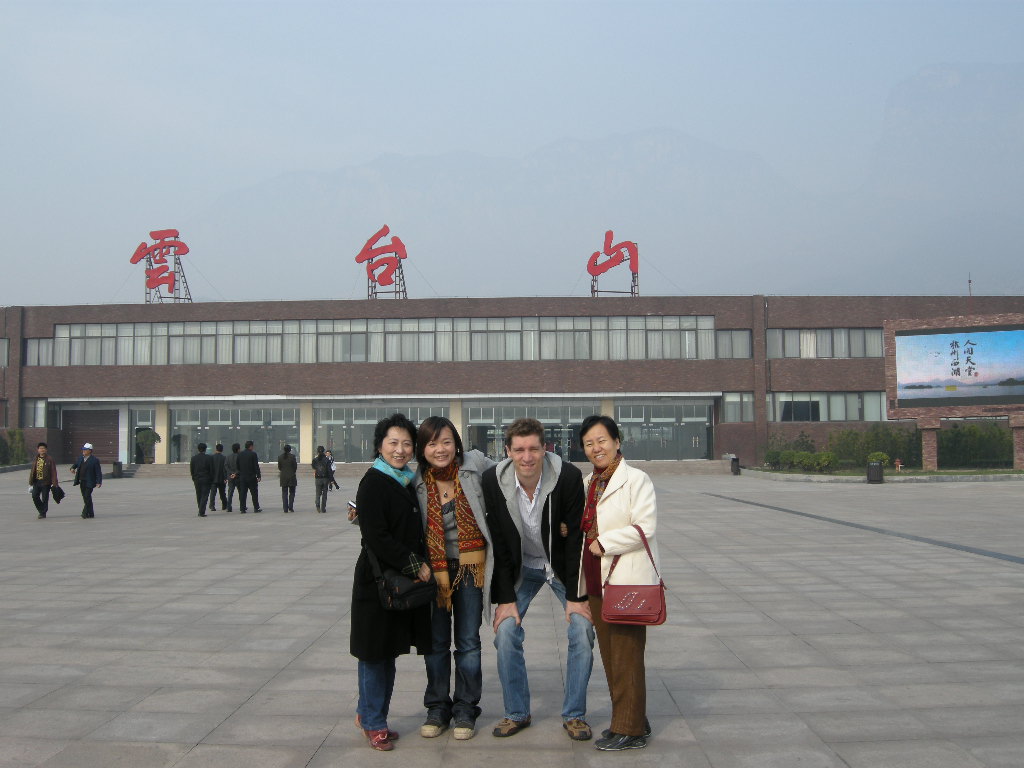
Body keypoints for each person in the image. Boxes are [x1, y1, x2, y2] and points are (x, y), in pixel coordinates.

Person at [482, 417, 594, 741]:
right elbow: (499, 545)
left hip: (559, 567)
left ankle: (574, 714)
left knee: (583, 628)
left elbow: (574, 540)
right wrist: (505, 599)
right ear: (507, 451)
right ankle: (517, 712)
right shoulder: (494, 481)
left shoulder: (568, 477)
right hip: (521, 569)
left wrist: (575, 596)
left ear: (545, 449)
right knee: (505, 632)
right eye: (519, 449)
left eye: (534, 448)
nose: (527, 457)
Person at [350, 414, 432, 752]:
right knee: (374, 654)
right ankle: (374, 722)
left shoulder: (406, 479)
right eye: (393, 443)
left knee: (387, 653)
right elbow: (377, 536)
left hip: (396, 580)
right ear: (380, 445)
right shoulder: (374, 481)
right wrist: (416, 565)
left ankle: (369, 714)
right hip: (377, 581)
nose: (400, 450)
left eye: (406, 444)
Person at [578, 415, 660, 751]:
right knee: (611, 655)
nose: (596, 448)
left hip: (625, 580)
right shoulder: (589, 482)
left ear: (617, 442)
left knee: (626, 653)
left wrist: (605, 543)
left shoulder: (636, 479)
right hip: (597, 580)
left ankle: (631, 729)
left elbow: (646, 526)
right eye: (589, 443)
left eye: (601, 440)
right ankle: (630, 719)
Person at [413, 416, 496, 741]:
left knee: (468, 642)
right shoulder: (414, 477)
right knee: (434, 643)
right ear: (423, 448)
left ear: (457, 444)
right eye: (432, 443)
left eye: (446, 441)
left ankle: (465, 707)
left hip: (470, 567)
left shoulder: (475, 464)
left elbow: (514, 468)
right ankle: (437, 707)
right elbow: (385, 504)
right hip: (433, 571)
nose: (440, 449)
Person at [70, 442, 103, 519]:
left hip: (90, 481)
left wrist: (99, 482)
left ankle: (84, 513)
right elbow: (75, 464)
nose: (84, 451)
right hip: (82, 480)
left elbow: (98, 472)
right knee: (85, 497)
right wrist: (72, 468)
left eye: (86, 449)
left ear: (90, 451)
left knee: (87, 496)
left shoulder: (94, 460)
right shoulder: (80, 458)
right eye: (83, 449)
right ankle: (91, 513)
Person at [28, 442, 60, 519]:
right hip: (37, 481)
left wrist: (54, 483)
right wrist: (31, 481)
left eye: (43, 448)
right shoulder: (36, 458)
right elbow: (33, 470)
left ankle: (42, 513)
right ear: (38, 450)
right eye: (40, 448)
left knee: (45, 498)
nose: (42, 450)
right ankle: (42, 509)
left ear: (46, 450)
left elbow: (53, 471)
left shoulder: (49, 459)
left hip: (46, 482)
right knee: (34, 496)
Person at [237, 440, 262, 513]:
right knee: (254, 493)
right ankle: (256, 507)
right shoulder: (253, 454)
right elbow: (256, 466)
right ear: (251, 446)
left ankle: (242, 508)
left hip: (243, 477)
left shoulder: (240, 454)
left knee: (243, 493)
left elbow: (237, 465)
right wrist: (258, 475)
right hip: (251, 477)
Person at [190, 443, 214, 517]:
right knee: (205, 495)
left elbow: (192, 470)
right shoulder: (209, 458)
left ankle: (200, 509)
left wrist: (194, 478)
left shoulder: (193, 458)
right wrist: (211, 479)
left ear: (198, 449)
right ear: (205, 449)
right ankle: (201, 511)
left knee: (199, 495)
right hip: (206, 479)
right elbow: (212, 470)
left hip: (197, 479)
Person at [278, 444, 298, 513]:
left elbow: (279, 467)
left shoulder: (280, 457)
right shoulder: (292, 457)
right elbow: (295, 467)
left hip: (283, 476)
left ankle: (285, 508)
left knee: (284, 493)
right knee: (292, 492)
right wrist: (292, 471)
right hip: (291, 476)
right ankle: (290, 507)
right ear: (290, 450)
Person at [208, 443, 228, 511]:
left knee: (213, 493)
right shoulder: (224, 458)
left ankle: (212, 506)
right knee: (222, 493)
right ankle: (224, 505)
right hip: (221, 478)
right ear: (222, 449)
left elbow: (210, 468)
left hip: (213, 478)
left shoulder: (211, 457)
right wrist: (225, 478)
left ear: (216, 449)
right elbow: (225, 469)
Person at [312, 445, 331, 513]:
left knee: (318, 493)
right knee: (324, 494)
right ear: (324, 451)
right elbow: (329, 470)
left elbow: (314, 467)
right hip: (325, 478)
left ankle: (317, 505)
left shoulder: (315, 460)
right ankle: (323, 508)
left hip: (318, 478)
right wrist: (331, 479)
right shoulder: (327, 460)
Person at [225, 443, 241, 512]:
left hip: (230, 477)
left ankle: (229, 507)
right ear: (238, 449)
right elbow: (241, 467)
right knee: (241, 492)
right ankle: (242, 506)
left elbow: (226, 466)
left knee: (230, 492)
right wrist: (235, 473)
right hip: (238, 477)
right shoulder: (240, 457)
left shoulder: (228, 457)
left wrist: (231, 473)